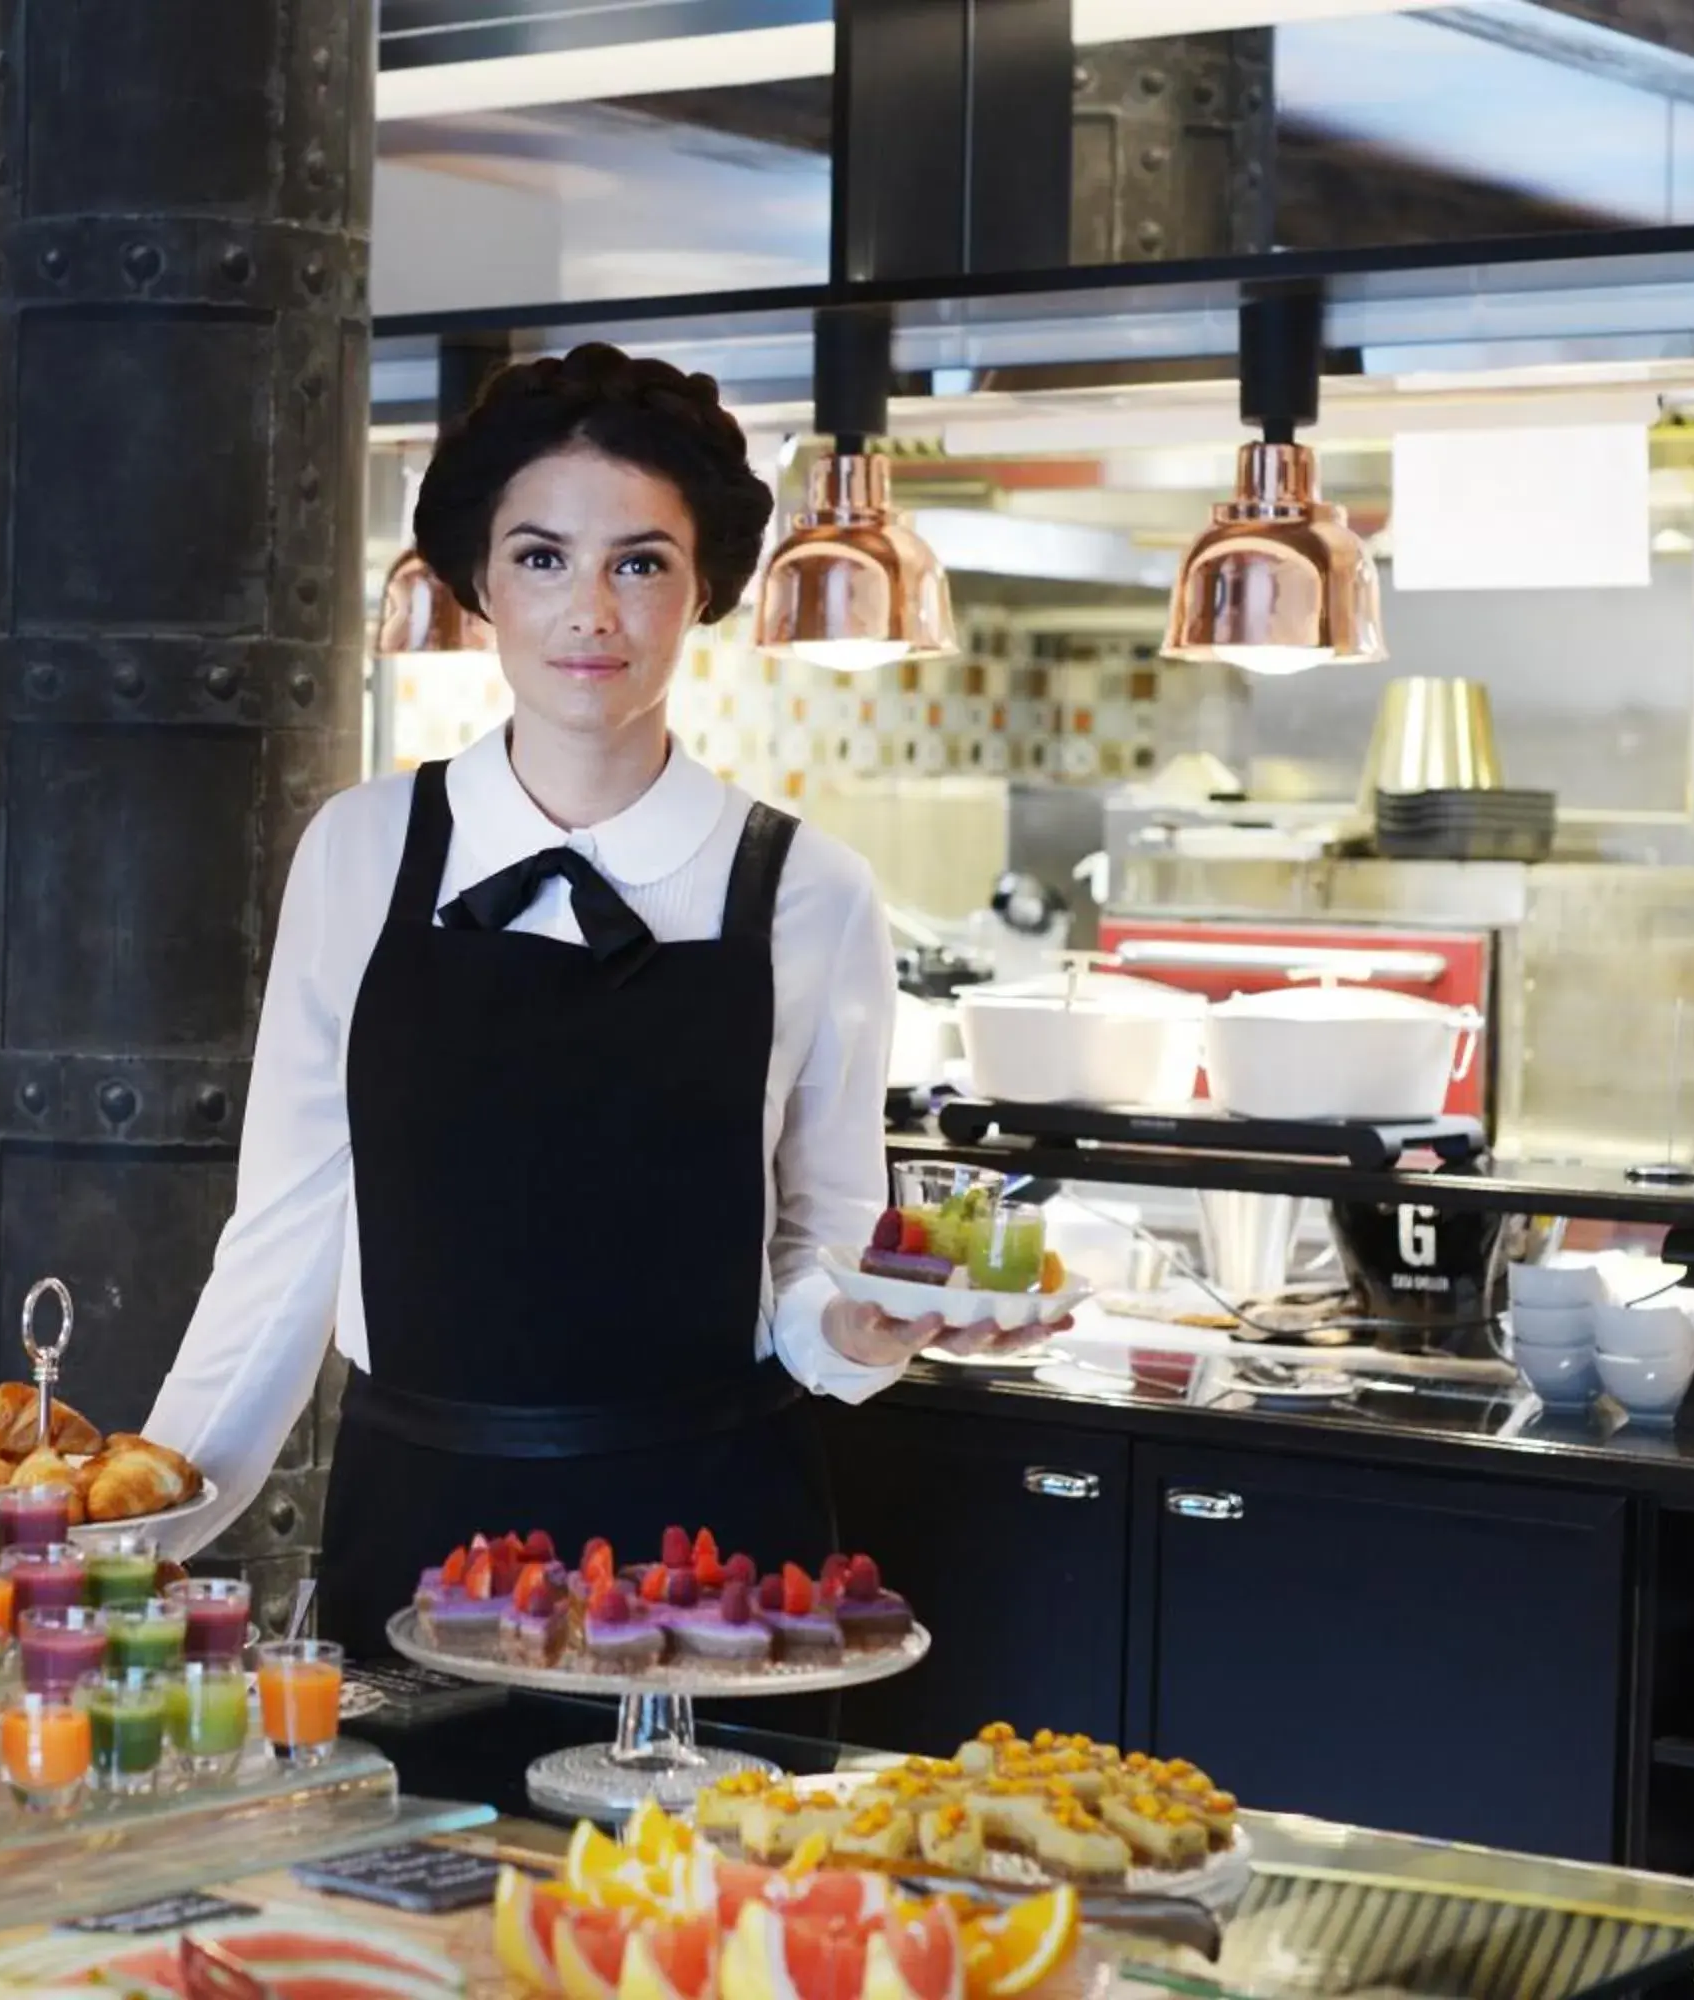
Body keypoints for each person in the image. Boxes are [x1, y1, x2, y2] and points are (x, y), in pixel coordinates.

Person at [144, 342, 1048, 1647]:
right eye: (542, 557)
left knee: (684, 1864)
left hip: (712, 1564)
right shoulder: (360, 850)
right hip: (420, 1532)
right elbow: (286, 1234)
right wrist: (144, 1522)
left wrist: (862, 1327)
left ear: (702, 593)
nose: (592, 613)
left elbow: (820, 1251)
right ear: (479, 583)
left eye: (641, 562)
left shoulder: (811, 889)